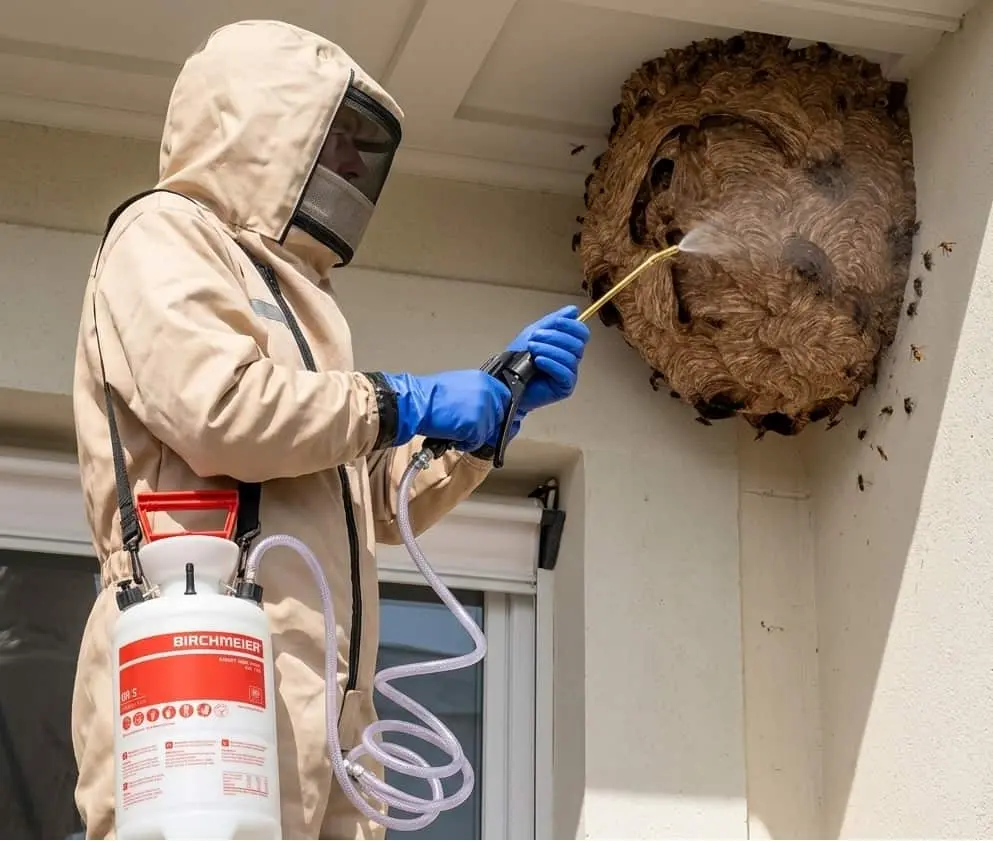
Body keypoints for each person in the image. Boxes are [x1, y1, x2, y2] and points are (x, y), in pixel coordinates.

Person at [69, 18, 590, 840]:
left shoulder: (298, 297)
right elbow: (221, 413)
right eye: (335, 137)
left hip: (322, 703)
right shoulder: (163, 232)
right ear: (258, 124)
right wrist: (400, 400)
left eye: (355, 145)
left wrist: (489, 416)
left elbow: (371, 504)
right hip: (199, 668)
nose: (349, 165)